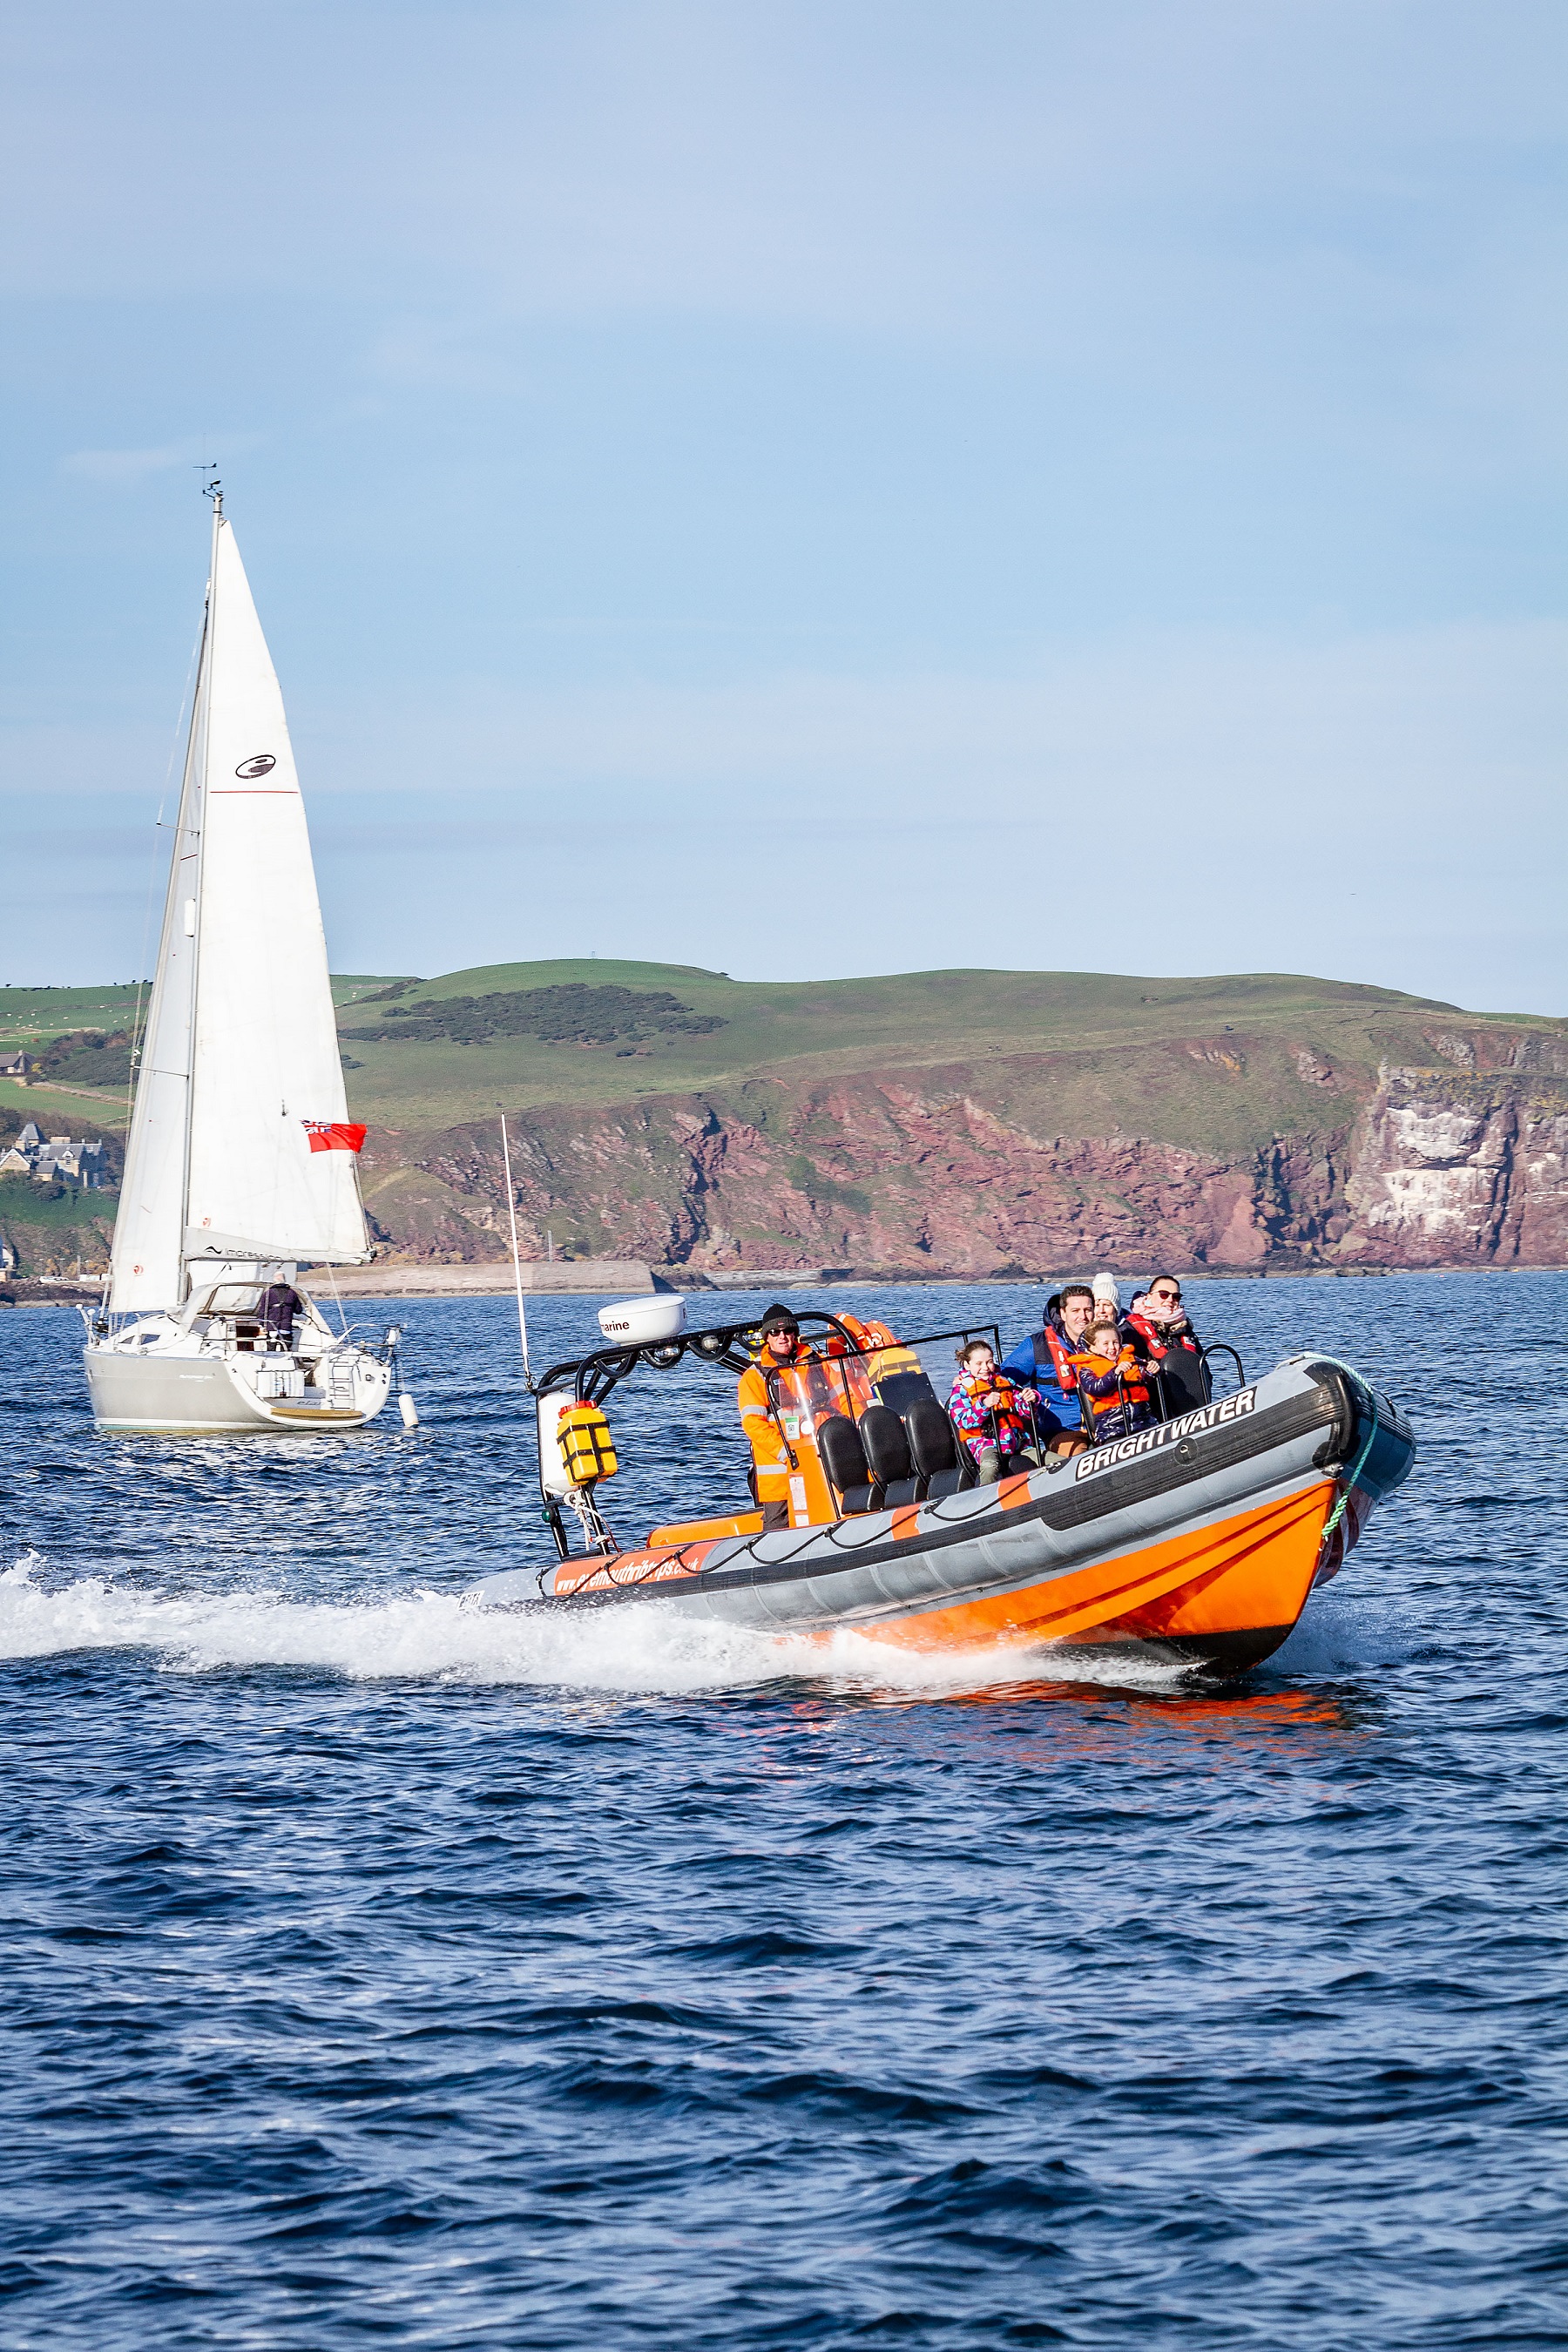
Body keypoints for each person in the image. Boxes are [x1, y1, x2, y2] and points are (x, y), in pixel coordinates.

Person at [736, 1303, 817, 1531]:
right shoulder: (754, 1377)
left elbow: (841, 1400)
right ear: (767, 1338)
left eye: (787, 1331)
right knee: (777, 1529)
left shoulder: (816, 1364)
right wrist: (787, 1453)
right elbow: (754, 1425)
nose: (782, 1337)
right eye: (774, 1332)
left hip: (820, 1462)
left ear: (795, 1334)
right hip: (780, 1472)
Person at [1004, 1281, 1096, 1449]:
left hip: (1108, 1424)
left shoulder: (1106, 1340)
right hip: (1064, 1431)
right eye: (1075, 1311)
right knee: (1081, 1456)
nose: (1083, 1316)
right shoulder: (1037, 1346)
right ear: (1063, 1313)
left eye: (1087, 1310)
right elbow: (1003, 1378)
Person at [948, 1341, 1044, 1484]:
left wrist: (1031, 1400)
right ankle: (985, 1497)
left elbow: (1026, 1412)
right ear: (967, 1365)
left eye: (989, 1362)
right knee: (989, 1466)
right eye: (979, 1364)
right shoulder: (961, 1390)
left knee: (1054, 1461)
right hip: (986, 1444)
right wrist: (984, 1405)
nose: (985, 1368)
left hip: (1018, 1442)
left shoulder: (1006, 1382)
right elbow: (963, 1421)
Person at [1125, 1274, 1206, 1416]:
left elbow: (1203, 1367)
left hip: (1190, 1404)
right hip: (1151, 1410)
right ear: (1150, 1296)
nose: (1170, 1300)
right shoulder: (1129, 1330)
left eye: (1176, 1297)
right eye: (1164, 1295)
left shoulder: (1186, 1330)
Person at [1071, 1315, 1155, 1445]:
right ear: (1092, 1348)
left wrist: (1150, 1371)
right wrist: (1115, 1374)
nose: (1112, 1347)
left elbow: (1144, 1378)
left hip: (1143, 1421)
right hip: (1112, 1427)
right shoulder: (1087, 1369)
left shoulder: (1131, 1359)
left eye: (1115, 1342)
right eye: (1106, 1344)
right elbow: (1096, 1388)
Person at [255, 1279, 304, 1349]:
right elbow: (298, 1310)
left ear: (274, 1282)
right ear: (284, 1281)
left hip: (272, 1327)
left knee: (271, 1348)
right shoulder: (292, 1293)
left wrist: (261, 1324)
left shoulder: (268, 1293)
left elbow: (262, 1311)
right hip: (286, 1326)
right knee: (285, 1347)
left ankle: (271, 1358)